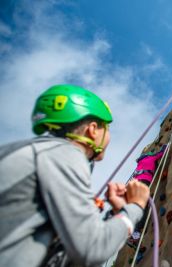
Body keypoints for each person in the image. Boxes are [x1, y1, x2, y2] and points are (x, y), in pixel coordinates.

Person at [0, 85, 150, 267]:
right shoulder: (63, 154)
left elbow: (68, 257)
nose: (109, 136)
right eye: (107, 128)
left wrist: (117, 213)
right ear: (93, 129)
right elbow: (92, 249)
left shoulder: (37, 153)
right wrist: (135, 206)